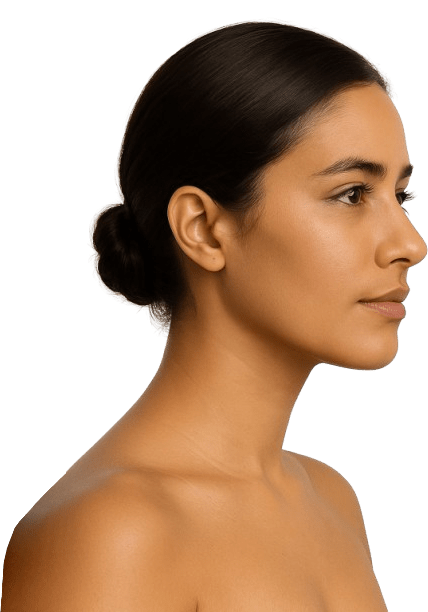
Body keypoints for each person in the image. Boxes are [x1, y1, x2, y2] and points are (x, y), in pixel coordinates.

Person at [2, 17, 426, 612]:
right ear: (202, 229)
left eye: (401, 196)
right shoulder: (111, 534)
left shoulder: (332, 500)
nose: (410, 244)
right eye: (352, 193)